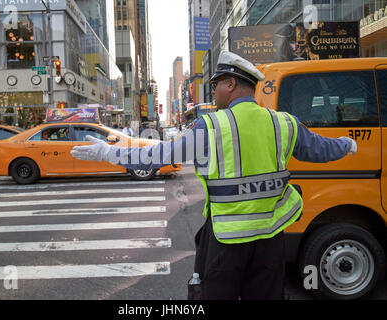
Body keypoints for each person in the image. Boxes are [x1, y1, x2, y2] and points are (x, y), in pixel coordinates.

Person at [70, 51, 357, 300]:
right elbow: (322, 149)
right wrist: (348, 144)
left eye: (217, 84)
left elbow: (159, 155)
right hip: (271, 240)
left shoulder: (211, 126)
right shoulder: (282, 122)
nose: (215, 91)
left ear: (231, 84)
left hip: (226, 243)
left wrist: (110, 154)